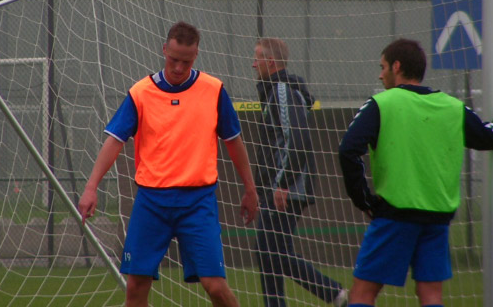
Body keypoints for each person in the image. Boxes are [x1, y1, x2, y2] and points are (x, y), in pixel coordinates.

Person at [78, 21, 258, 307]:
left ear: (196, 56)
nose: (177, 67)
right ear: (164, 49)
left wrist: (250, 188)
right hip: (152, 201)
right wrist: (91, 187)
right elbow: (114, 140)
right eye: (173, 59)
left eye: (185, 61)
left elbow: (234, 142)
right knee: (135, 288)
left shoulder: (213, 90)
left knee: (215, 287)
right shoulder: (141, 92)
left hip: (198, 202)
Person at [339, 38, 493, 307]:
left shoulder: (383, 103)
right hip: (437, 218)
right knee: (430, 296)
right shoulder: (452, 107)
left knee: (362, 294)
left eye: (382, 67)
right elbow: (491, 137)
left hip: (396, 213)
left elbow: (348, 149)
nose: (380, 74)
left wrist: (365, 200)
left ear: (397, 66)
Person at [252, 37, 348, 307]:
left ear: (270, 62)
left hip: (287, 188)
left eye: (257, 58)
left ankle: (334, 294)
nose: (253, 64)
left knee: (274, 252)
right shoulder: (274, 90)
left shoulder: (282, 90)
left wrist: (282, 183)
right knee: (268, 252)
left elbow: (299, 138)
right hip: (276, 187)